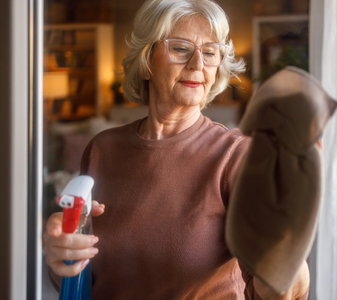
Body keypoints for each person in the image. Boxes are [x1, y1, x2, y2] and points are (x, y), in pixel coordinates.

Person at [43, 0, 310, 299]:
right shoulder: (102, 150)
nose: (198, 64)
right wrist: (61, 257)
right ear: (146, 60)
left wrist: (286, 249)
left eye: (210, 53)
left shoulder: (238, 157)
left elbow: (282, 291)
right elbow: (82, 278)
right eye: (181, 48)